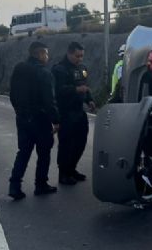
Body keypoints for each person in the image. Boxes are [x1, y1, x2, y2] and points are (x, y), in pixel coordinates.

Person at [8, 41, 60, 200]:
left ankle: (14, 186)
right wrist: (56, 120)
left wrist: (19, 111)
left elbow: (12, 94)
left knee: (23, 152)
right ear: (39, 54)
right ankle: (41, 184)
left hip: (23, 118)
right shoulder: (44, 73)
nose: (47, 56)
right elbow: (49, 100)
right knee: (44, 153)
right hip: (40, 119)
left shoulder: (19, 69)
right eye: (45, 53)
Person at [52, 42, 95, 185]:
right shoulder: (59, 69)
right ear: (69, 53)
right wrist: (75, 90)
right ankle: (63, 173)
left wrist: (89, 100)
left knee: (81, 142)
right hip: (65, 112)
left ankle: (72, 169)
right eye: (77, 56)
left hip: (79, 111)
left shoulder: (82, 68)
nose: (80, 59)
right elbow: (58, 90)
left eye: (82, 56)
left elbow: (85, 85)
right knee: (66, 144)